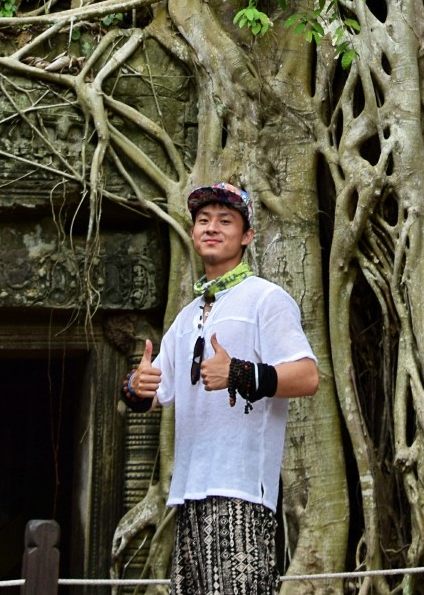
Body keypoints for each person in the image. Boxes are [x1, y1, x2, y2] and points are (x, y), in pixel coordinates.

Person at [123, 182, 319, 595]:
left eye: (225, 221)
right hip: (189, 491)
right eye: (203, 220)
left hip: (242, 491)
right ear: (193, 232)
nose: (211, 228)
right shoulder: (187, 316)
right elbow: (152, 395)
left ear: (246, 236)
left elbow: (306, 376)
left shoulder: (266, 299)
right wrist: (135, 386)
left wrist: (240, 375)